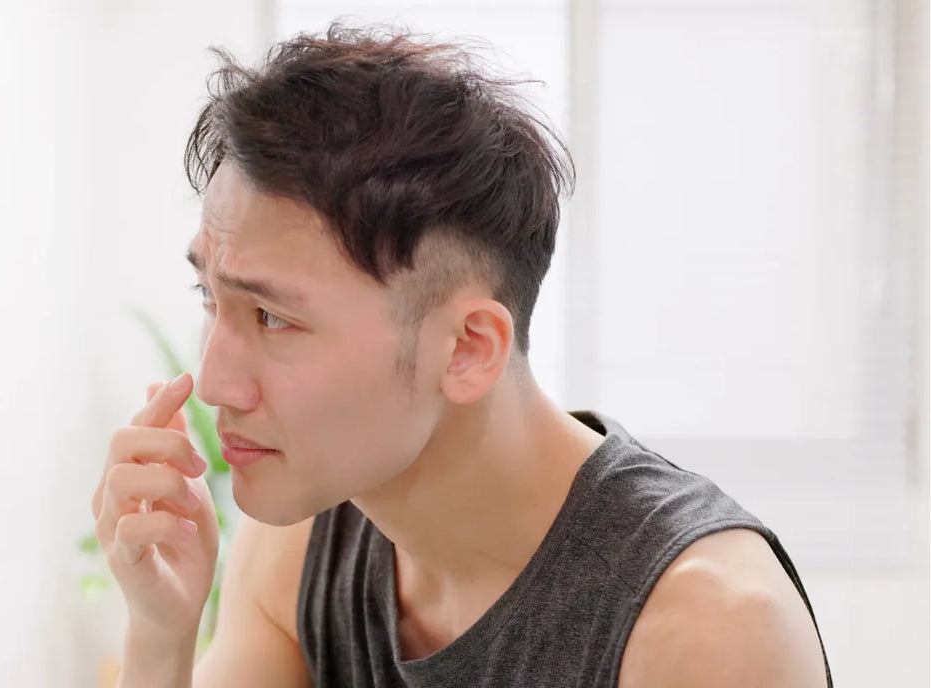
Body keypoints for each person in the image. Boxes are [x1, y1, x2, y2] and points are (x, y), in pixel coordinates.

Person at [90, 23, 833, 687]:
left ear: (469, 349)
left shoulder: (707, 625)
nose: (215, 383)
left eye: (275, 318)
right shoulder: (301, 545)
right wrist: (161, 638)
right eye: (210, 301)